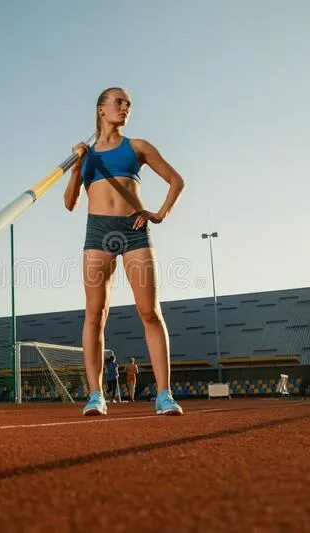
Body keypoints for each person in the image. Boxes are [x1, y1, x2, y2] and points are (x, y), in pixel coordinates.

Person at [64, 87, 185, 416]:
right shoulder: (86, 155)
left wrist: (160, 213)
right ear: (101, 109)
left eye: (128, 104)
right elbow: (70, 202)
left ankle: (164, 394)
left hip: (134, 230)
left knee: (149, 312)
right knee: (95, 314)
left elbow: (176, 180)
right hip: (98, 232)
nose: (125, 107)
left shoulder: (138, 147)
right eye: (118, 102)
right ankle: (96, 395)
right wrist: (77, 166)